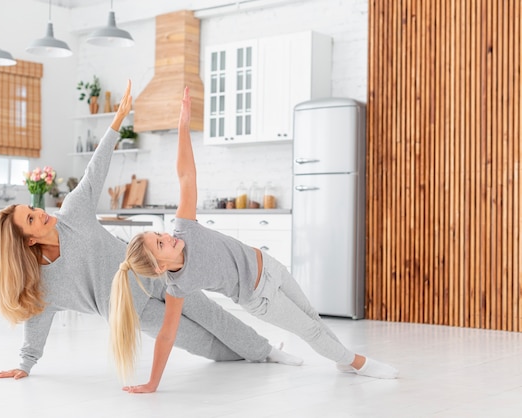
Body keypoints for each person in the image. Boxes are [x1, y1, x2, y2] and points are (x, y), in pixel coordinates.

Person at [0, 80, 301, 381]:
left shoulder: (72, 213)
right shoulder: (43, 283)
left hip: (153, 268)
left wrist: (117, 123)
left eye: (33, 209)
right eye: (31, 219)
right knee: (199, 342)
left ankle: (266, 352)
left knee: (211, 314)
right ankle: (251, 357)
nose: (40, 212)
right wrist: (24, 364)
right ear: (28, 241)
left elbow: (94, 172)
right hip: (132, 308)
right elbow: (37, 319)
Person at [110, 87, 399, 393]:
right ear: (159, 268)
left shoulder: (184, 228)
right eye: (160, 244)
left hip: (269, 266)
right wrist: (153, 383)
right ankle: (359, 363)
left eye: (159, 235)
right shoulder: (177, 287)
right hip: (260, 298)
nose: (166, 236)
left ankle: (341, 359)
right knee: (311, 330)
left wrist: (183, 125)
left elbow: (186, 176)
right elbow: (167, 335)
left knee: (311, 316)